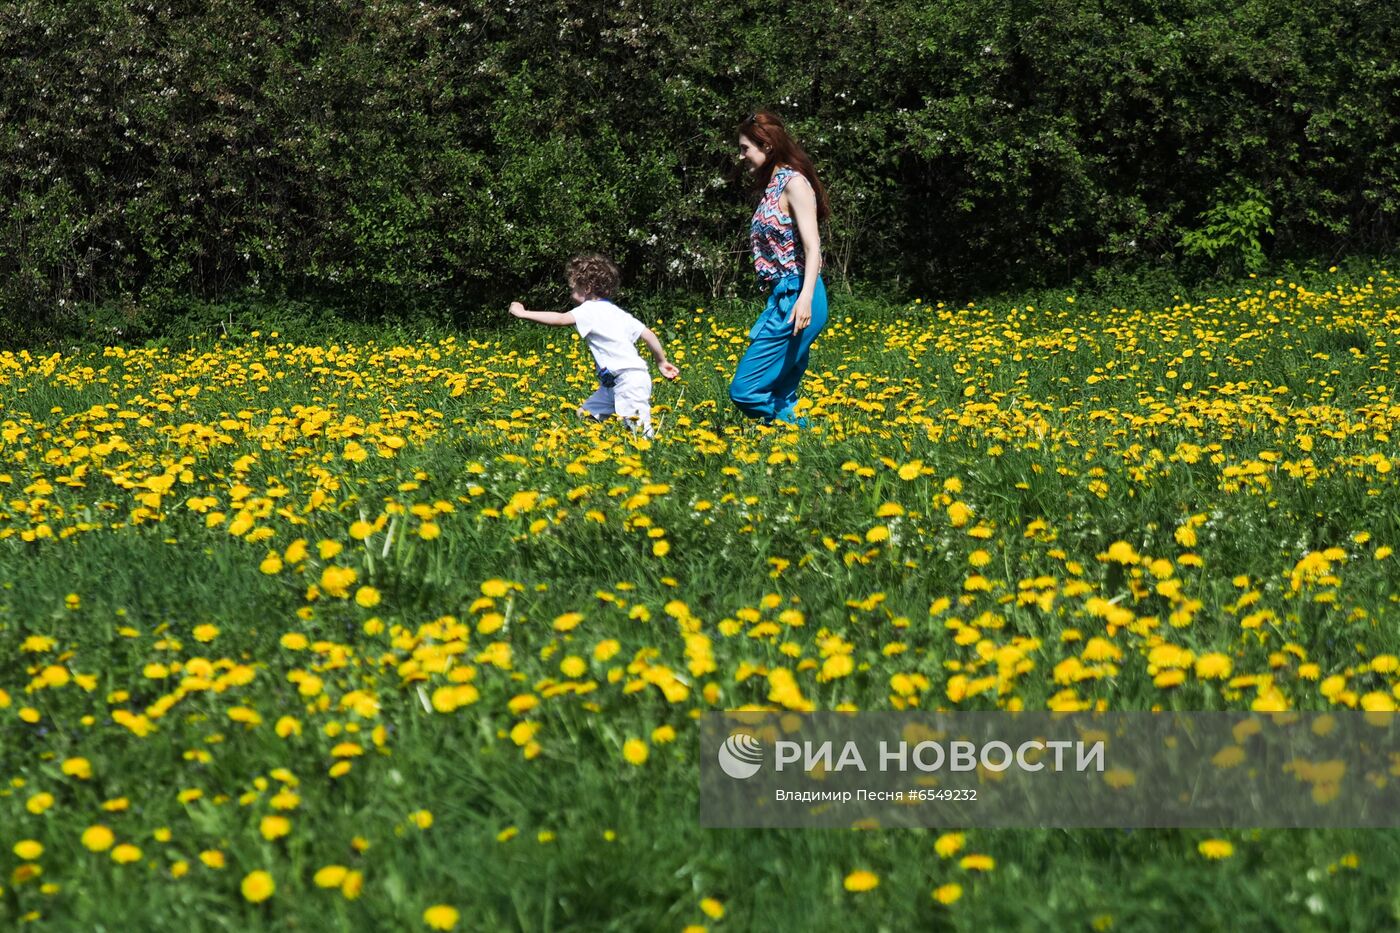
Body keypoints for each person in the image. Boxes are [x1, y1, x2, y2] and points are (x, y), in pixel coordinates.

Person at [729, 110, 831, 427]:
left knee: (745, 391)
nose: (741, 155)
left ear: (768, 145)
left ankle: (796, 429)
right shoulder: (772, 186)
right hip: (783, 296)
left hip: (800, 296)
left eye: (746, 148)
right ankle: (810, 442)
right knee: (784, 392)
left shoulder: (794, 184)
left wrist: (804, 298)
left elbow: (814, 248)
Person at [509, 253, 679, 437]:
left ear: (587, 287)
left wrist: (524, 313)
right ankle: (595, 447)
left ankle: (649, 455)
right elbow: (648, 334)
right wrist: (661, 362)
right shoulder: (617, 312)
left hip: (628, 380)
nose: (570, 291)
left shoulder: (589, 310)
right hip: (613, 383)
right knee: (586, 415)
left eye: (573, 287)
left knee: (638, 430)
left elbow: (560, 319)